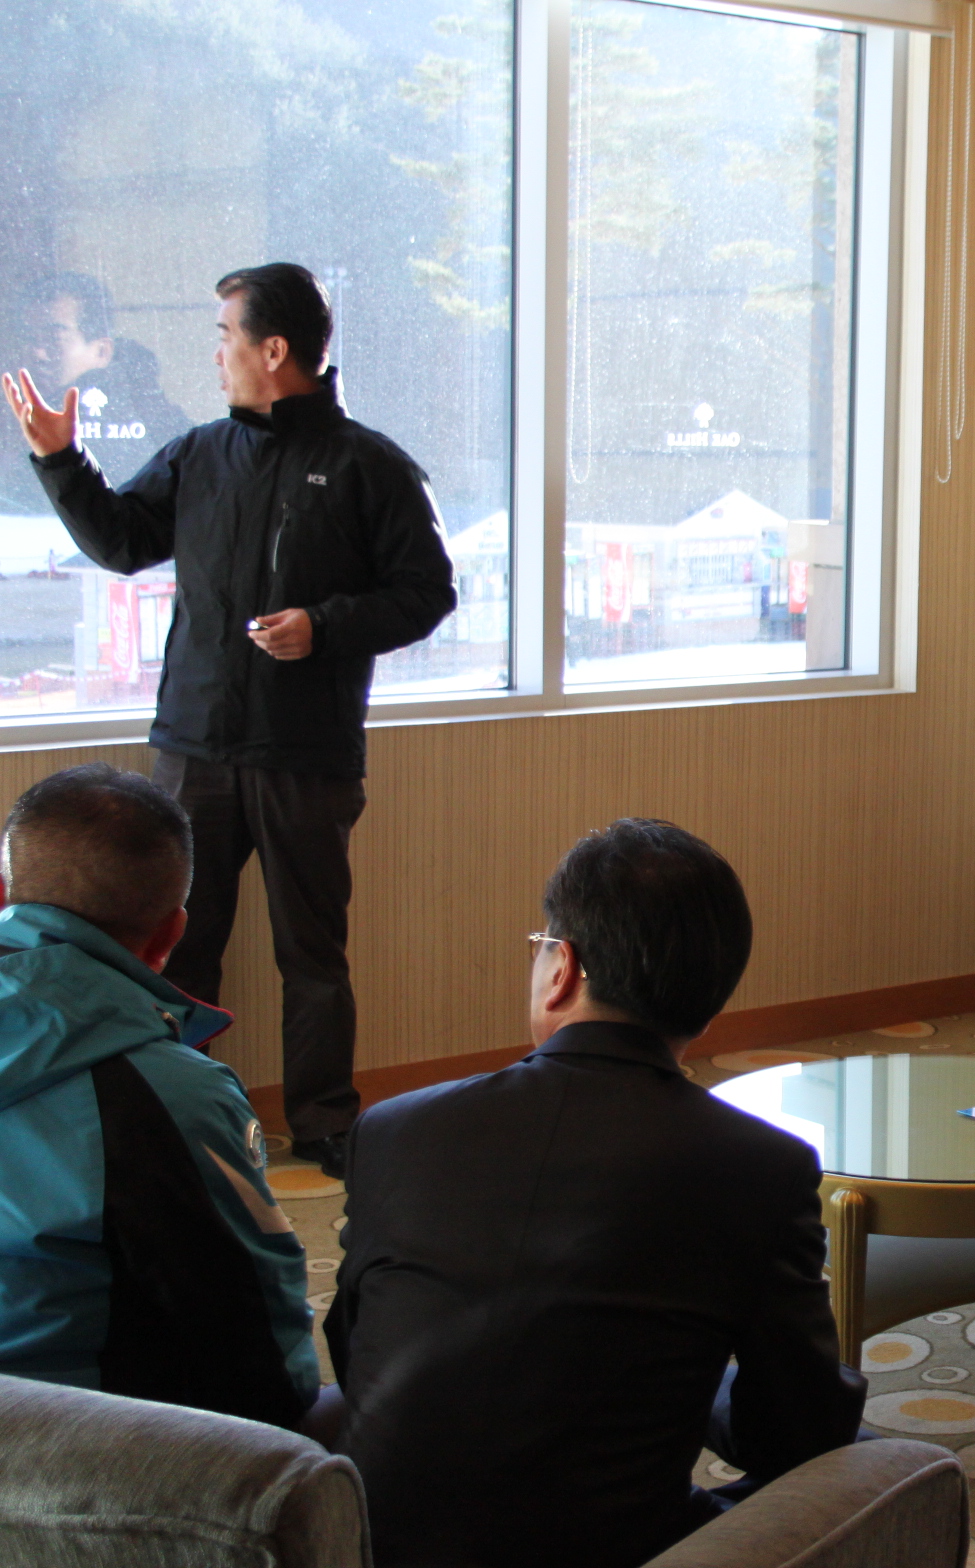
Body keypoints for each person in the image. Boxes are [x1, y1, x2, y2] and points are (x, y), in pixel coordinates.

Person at [5, 262, 457, 1178]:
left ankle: (324, 1124)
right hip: (193, 748)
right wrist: (60, 460)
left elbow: (427, 593)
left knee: (312, 956)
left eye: (224, 335)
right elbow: (122, 541)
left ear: (273, 349)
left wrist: (324, 626)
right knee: (176, 945)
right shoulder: (200, 453)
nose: (215, 353)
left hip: (307, 753)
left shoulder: (371, 465)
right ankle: (176, 1105)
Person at [326, 819, 865, 1568]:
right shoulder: (760, 1166)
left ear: (565, 968)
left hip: (367, 1543)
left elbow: (354, 1348)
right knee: (878, 1464)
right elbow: (798, 1434)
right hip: (619, 1548)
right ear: (710, 1002)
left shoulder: (393, 1128)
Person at [0, 763, 315, 1428]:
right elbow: (255, 1335)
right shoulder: (174, 1097)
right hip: (61, 1448)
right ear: (172, 934)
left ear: (7, 895)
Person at [21, 272, 195, 482]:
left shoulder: (144, 418)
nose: (38, 353)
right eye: (30, 338)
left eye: (54, 338)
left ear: (102, 351)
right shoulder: (15, 412)